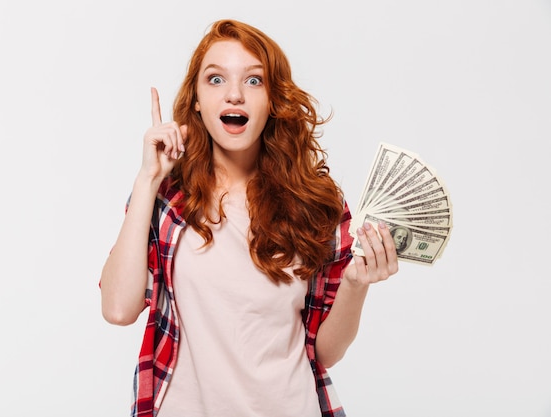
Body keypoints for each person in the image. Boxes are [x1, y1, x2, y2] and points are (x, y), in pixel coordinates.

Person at [100, 19, 399, 417]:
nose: (235, 95)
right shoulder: (167, 198)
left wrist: (357, 284)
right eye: (216, 80)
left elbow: (326, 350)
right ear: (196, 102)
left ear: (274, 99)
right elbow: (118, 309)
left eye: (254, 81)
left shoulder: (317, 205)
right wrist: (148, 178)